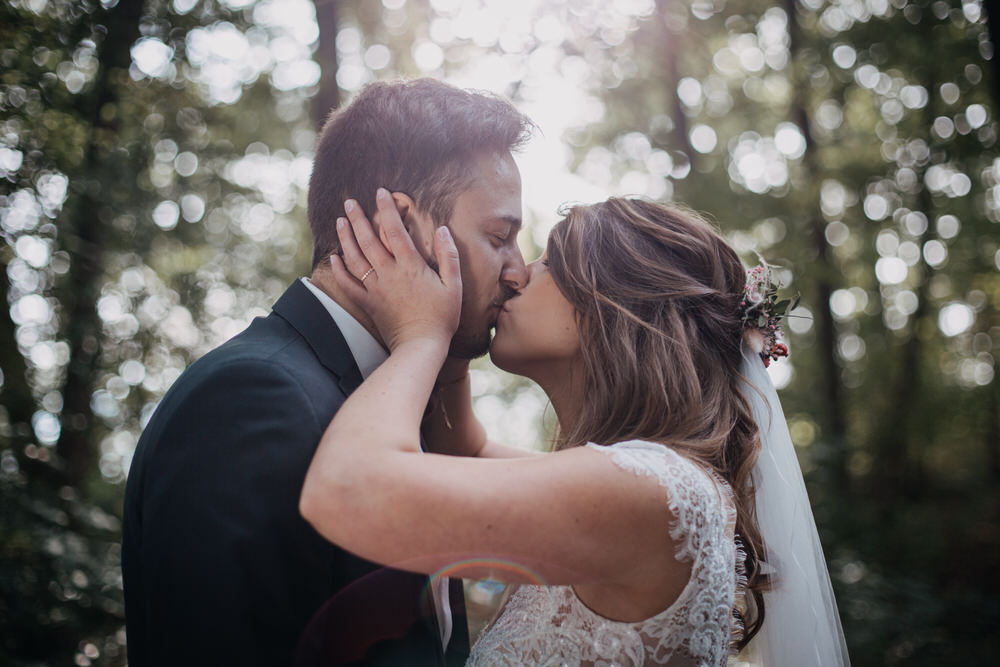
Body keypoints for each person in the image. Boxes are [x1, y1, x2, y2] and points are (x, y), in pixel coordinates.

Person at [300, 193, 851, 665]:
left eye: (549, 264)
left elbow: (348, 490)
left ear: (613, 304)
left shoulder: (651, 490)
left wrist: (419, 338)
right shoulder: (645, 481)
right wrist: (455, 325)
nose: (516, 275)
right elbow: (463, 449)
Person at [121, 78, 534, 666]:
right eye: (500, 236)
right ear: (401, 227)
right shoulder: (252, 400)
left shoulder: (390, 402)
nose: (517, 270)